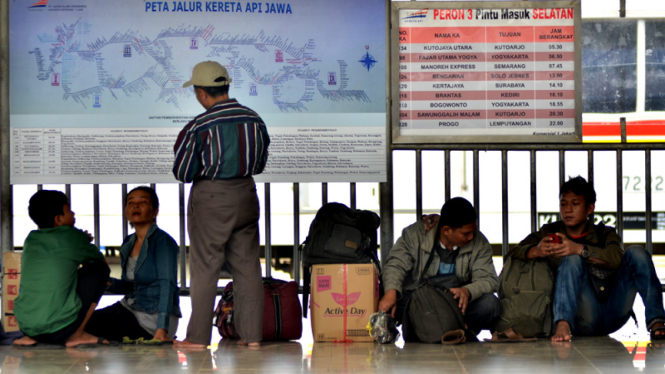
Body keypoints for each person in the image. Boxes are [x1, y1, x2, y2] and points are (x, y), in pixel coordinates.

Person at [172, 60, 270, 348]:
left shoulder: (200, 126)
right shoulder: (255, 119)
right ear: (226, 86)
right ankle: (252, 337)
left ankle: (198, 338)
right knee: (248, 267)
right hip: (246, 193)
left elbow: (183, 172)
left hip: (212, 199)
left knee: (205, 267)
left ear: (201, 93)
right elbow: (260, 163)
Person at [509, 176, 665, 341]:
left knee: (637, 252)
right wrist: (536, 251)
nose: (568, 210)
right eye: (563, 204)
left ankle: (657, 322)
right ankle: (562, 324)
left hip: (615, 309)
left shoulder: (604, 233)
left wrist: (579, 249)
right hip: (581, 316)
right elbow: (511, 254)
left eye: (575, 204)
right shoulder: (550, 232)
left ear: (590, 208)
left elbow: (615, 258)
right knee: (571, 260)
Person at [379, 197, 500, 337]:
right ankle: (446, 329)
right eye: (466, 234)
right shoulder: (415, 235)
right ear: (447, 230)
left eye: (473, 232)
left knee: (490, 304)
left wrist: (467, 291)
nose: (471, 237)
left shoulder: (479, 243)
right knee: (389, 294)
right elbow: (395, 264)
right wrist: (390, 292)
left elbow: (489, 279)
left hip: (456, 305)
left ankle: (447, 329)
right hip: (419, 301)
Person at [13, 190, 110, 347]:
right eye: (69, 210)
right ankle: (77, 335)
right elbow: (100, 261)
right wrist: (84, 241)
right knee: (99, 270)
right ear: (58, 219)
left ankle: (32, 337)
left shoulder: (31, 238)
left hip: (26, 326)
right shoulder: (72, 235)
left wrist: (81, 240)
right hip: (60, 329)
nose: (73, 213)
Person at [86, 186, 181, 342]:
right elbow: (130, 286)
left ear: (155, 211)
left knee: (90, 327)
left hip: (153, 318)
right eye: (131, 203)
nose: (136, 206)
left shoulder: (163, 241)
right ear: (126, 212)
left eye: (143, 202)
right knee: (81, 323)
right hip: (130, 307)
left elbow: (167, 285)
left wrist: (161, 329)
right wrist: (108, 282)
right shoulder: (128, 242)